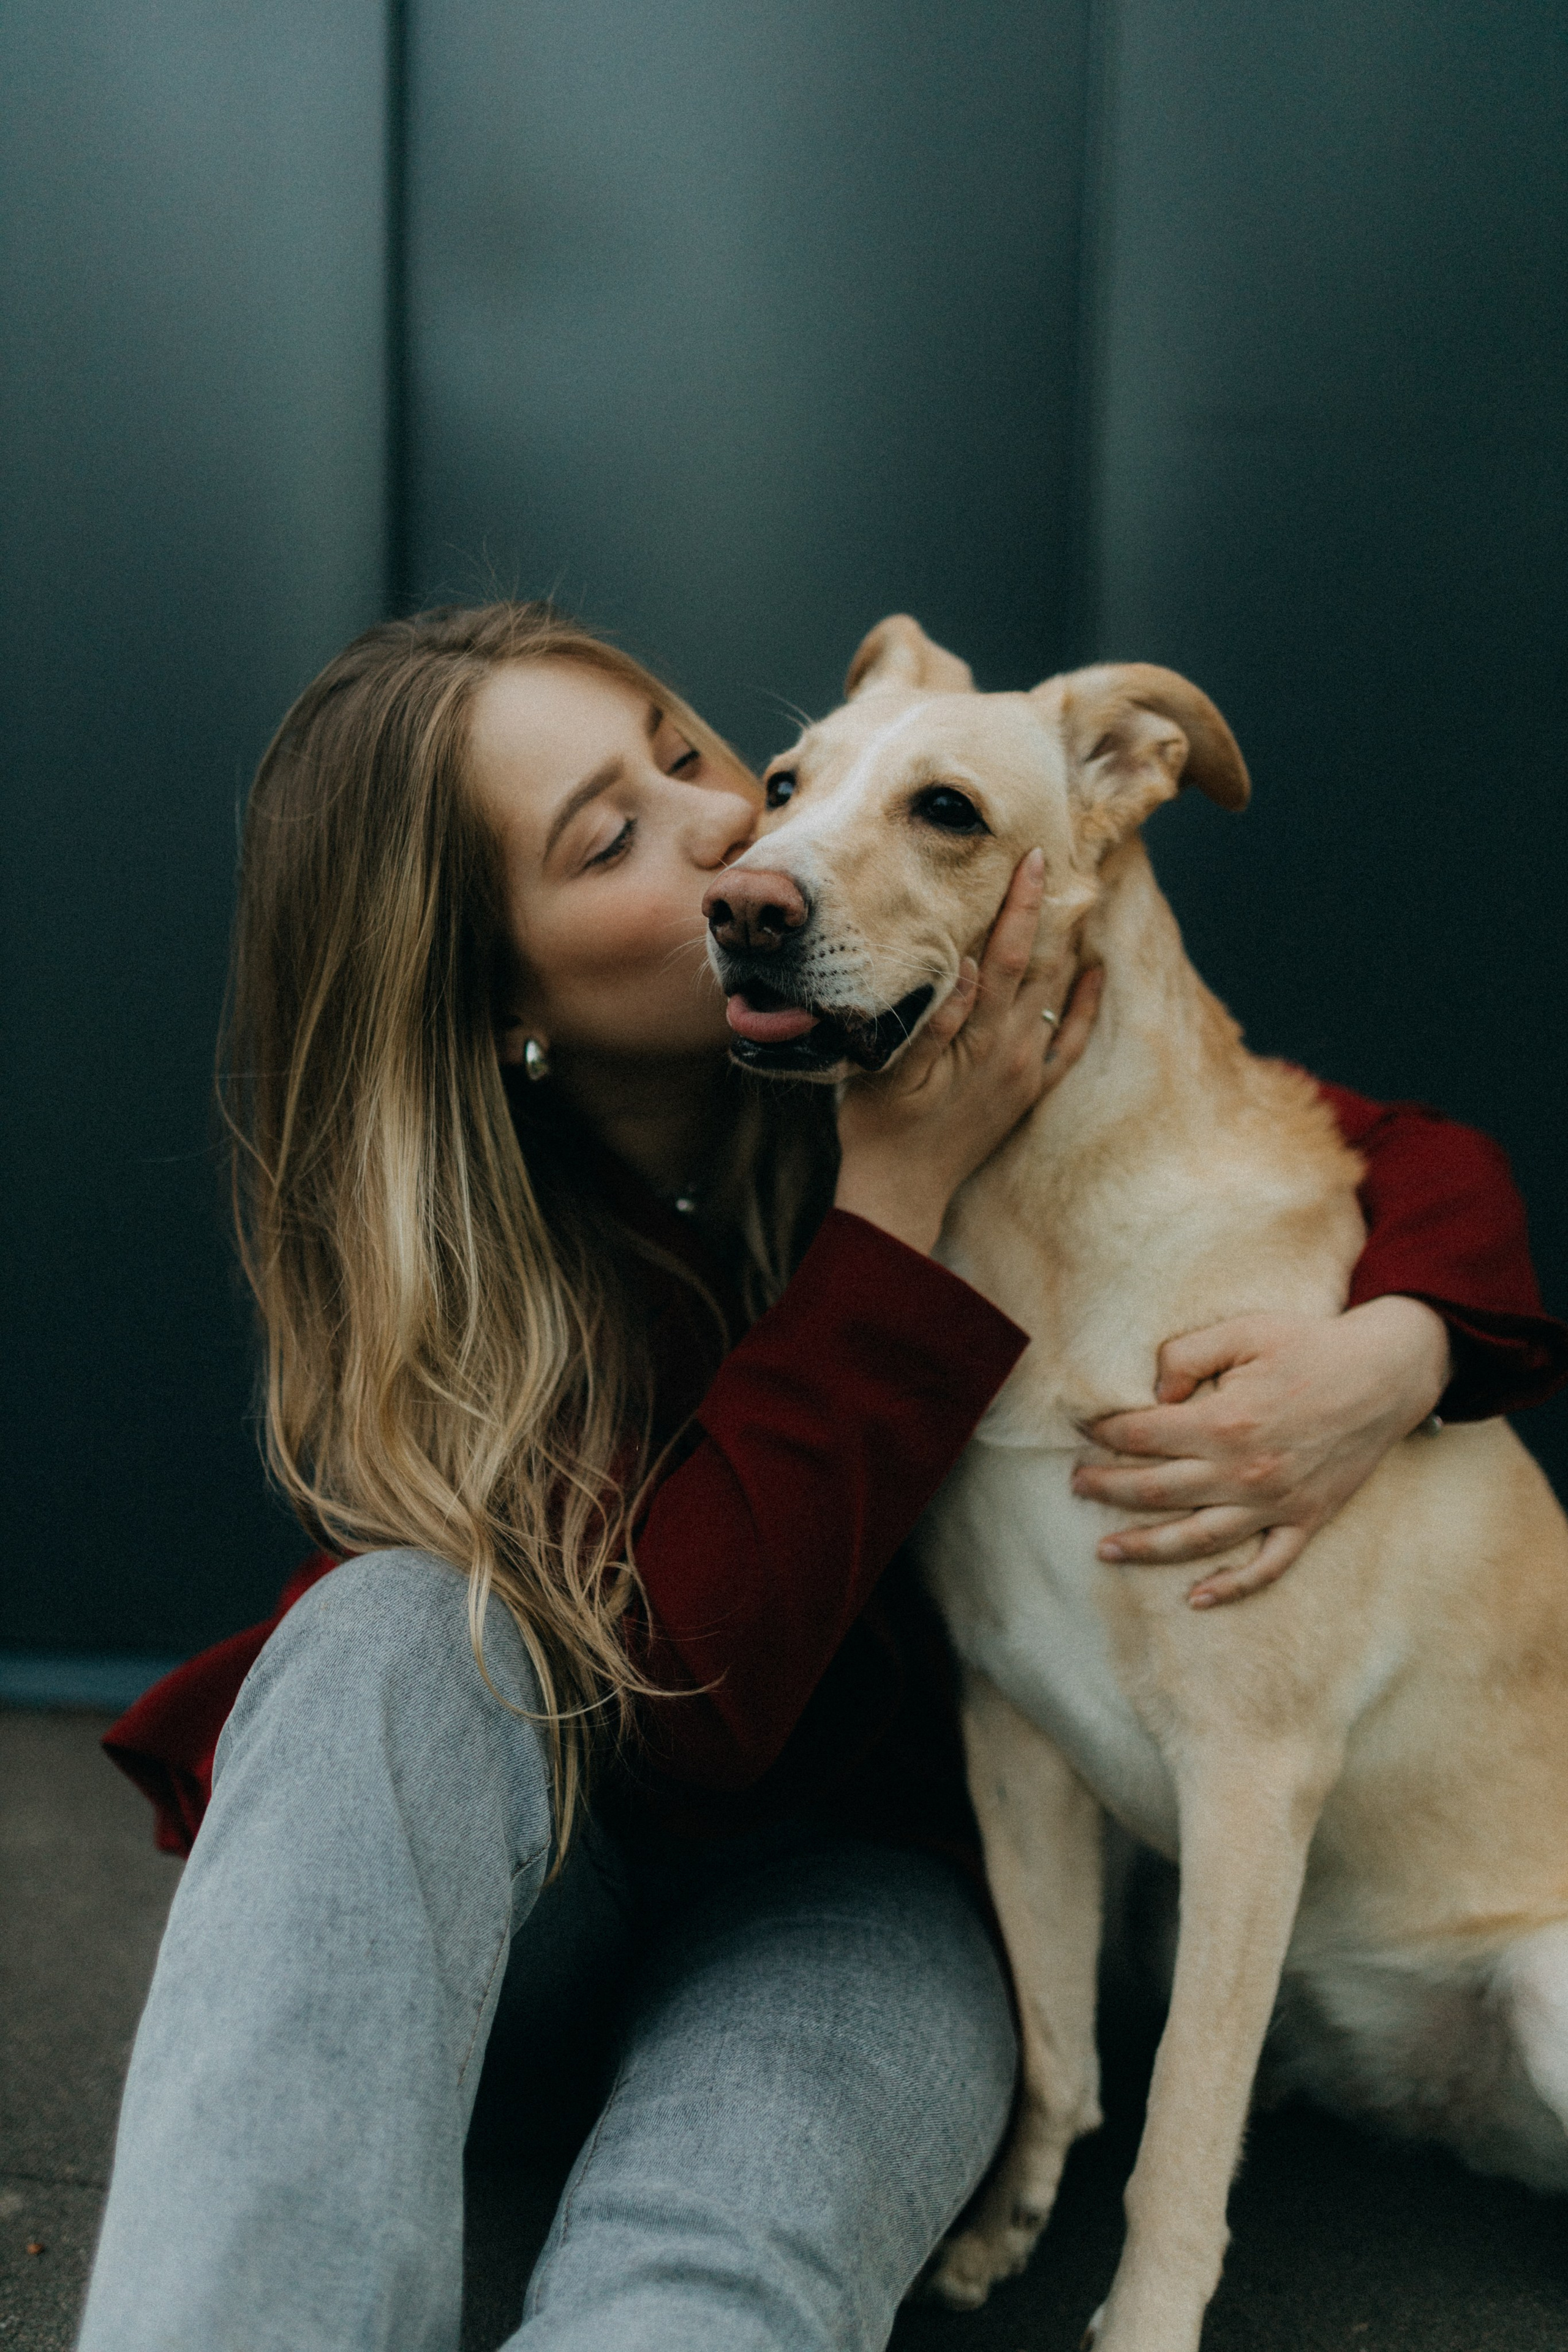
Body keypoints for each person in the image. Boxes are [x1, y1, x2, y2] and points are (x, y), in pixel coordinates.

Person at [83, 603, 1567, 2352]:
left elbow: (1355, 1147)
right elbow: (693, 1694)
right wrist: (893, 1208)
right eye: (610, 839)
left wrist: (1405, 1344)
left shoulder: (927, 1038)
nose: (736, 834)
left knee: (714, 2276)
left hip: (861, 1912)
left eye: (697, 754)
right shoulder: (492, 1266)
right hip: (528, 1894)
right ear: (496, 998)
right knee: (387, 1628)